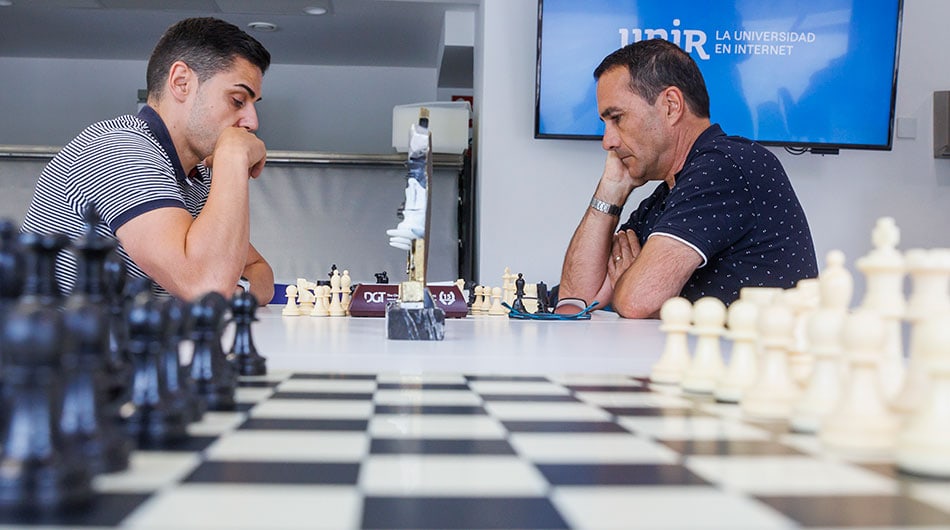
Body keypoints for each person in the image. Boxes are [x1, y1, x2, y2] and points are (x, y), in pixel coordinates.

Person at [21, 17, 275, 306]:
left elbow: (260, 273)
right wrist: (232, 156)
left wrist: (235, 288)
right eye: (238, 100)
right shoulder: (119, 149)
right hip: (51, 346)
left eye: (254, 105)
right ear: (181, 82)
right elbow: (207, 285)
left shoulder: (194, 177)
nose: (252, 122)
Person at [557, 39, 818, 318]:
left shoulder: (727, 164)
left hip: (757, 359)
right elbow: (576, 302)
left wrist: (627, 283)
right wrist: (610, 192)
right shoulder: (666, 195)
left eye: (617, 118)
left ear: (671, 105)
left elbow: (637, 300)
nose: (607, 141)